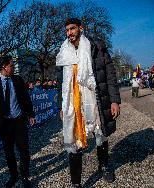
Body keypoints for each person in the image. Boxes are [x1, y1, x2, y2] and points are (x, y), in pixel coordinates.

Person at [56, 18, 121, 188]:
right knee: (74, 137)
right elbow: (60, 82)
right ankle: (76, 182)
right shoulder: (63, 52)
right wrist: (61, 105)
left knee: (99, 133)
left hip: (94, 98)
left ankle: (104, 166)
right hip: (73, 102)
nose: (69, 33)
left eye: (72, 29)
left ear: (80, 28)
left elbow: (110, 73)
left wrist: (114, 100)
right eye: (67, 30)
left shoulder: (96, 46)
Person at [0, 55, 36, 188]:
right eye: (11, 65)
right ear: (4, 67)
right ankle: (13, 176)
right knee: (9, 151)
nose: (13, 67)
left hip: (19, 120)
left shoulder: (18, 80)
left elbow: (26, 98)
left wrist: (31, 114)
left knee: (24, 149)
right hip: (4, 123)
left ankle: (25, 176)